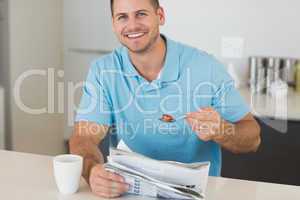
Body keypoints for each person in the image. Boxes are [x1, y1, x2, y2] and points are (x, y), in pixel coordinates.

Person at [69, 0, 261, 198]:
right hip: (130, 192)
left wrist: (222, 130)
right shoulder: (103, 70)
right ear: (113, 24)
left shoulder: (206, 67)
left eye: (141, 14)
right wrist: (92, 171)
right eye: (122, 17)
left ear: (160, 16)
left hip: (195, 194)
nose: (132, 25)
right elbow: (84, 137)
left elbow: (253, 137)